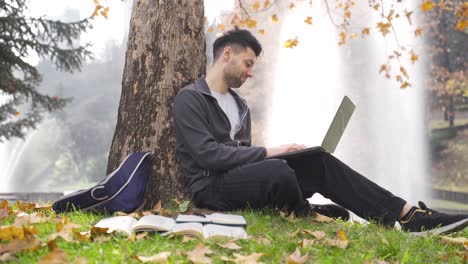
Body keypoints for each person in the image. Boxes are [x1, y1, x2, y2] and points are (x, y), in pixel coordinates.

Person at [173, 28, 468, 236]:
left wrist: (294, 156)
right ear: (227, 54)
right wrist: (272, 152)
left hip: (241, 180)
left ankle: (408, 215)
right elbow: (207, 155)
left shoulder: (240, 106)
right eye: (248, 64)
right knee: (277, 171)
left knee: (318, 161)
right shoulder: (192, 98)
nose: (250, 73)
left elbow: (242, 157)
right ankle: (305, 211)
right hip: (210, 187)